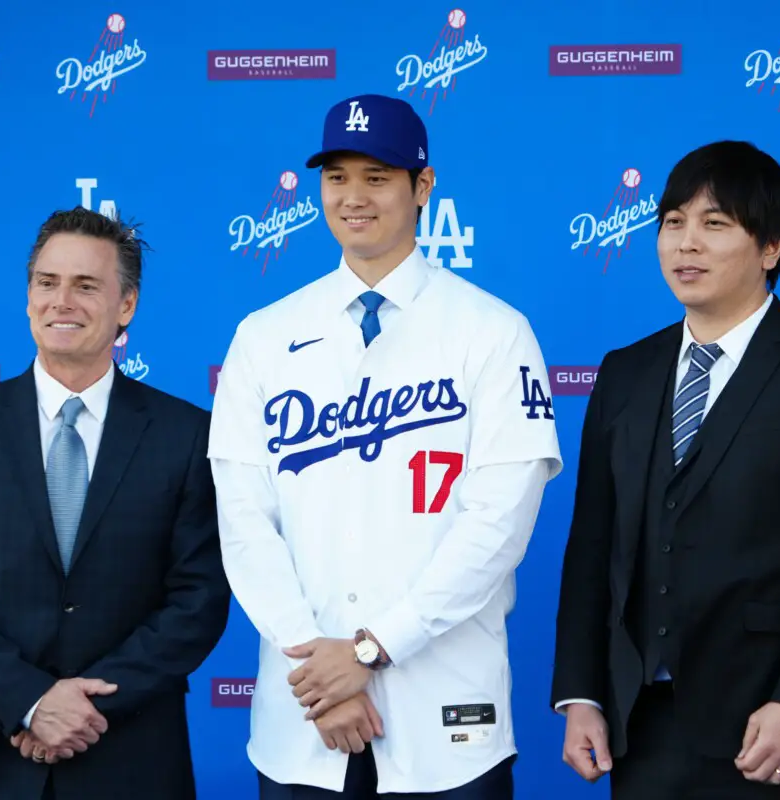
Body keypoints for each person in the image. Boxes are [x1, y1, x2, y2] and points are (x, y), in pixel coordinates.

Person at [208, 93, 563, 799]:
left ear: (422, 186)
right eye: (336, 176)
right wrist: (322, 675)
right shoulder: (264, 334)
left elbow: (498, 526)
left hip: (447, 719)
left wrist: (372, 648)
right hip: (304, 716)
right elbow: (244, 525)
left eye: (377, 176)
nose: (353, 197)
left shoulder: (494, 331)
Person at [550, 140, 780, 799]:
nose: (686, 245)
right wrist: (581, 694)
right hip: (640, 728)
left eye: (714, 224)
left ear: (771, 249)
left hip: (770, 732)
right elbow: (592, 547)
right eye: (673, 222)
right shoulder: (626, 371)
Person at [0, 207, 231, 800]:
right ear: (28, 296)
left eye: (86, 285)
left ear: (126, 306)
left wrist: (82, 708)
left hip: (131, 757)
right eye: (47, 283)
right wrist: (28, 701)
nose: (62, 301)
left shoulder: (186, 435)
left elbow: (198, 601)